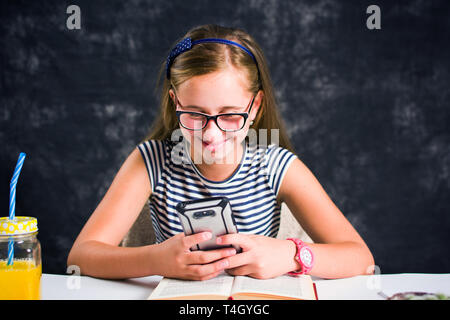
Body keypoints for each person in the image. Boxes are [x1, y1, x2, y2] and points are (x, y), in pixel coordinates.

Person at [67, 24, 374, 280]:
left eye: (229, 115)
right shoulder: (150, 162)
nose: (211, 134)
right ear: (176, 103)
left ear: (255, 107)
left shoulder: (276, 166)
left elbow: (361, 259)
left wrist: (291, 254)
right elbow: (80, 258)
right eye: (195, 115)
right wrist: (155, 260)